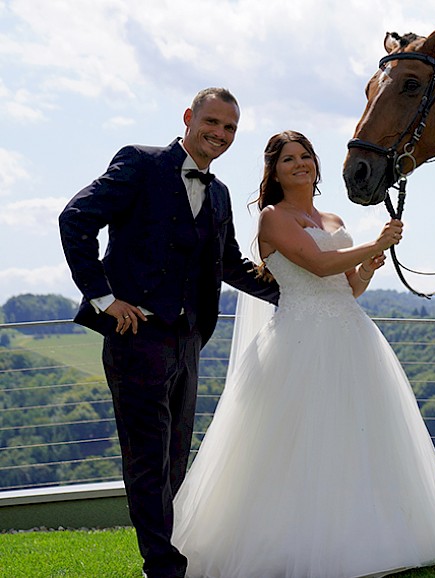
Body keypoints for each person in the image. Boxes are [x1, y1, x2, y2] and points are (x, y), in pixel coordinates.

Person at [171, 130, 435, 577]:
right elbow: (318, 264)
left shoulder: (330, 217)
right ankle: (287, 542)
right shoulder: (273, 217)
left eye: (306, 155)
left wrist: (366, 266)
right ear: (274, 170)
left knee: (354, 438)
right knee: (297, 444)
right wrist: (376, 243)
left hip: (350, 335)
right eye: (289, 159)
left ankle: (366, 538)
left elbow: (348, 286)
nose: (300, 164)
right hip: (299, 339)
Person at [59, 88, 281, 578]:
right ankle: (163, 567)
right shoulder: (140, 163)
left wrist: (294, 293)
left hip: (187, 341)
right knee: (148, 460)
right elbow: (75, 219)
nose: (220, 134)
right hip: (136, 336)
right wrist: (103, 298)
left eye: (230, 129)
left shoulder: (220, 193)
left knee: (175, 459)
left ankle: (164, 553)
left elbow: (229, 265)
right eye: (213, 122)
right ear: (188, 117)